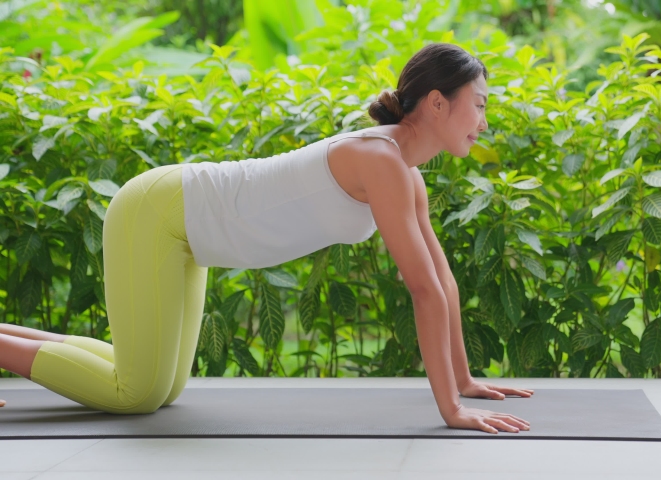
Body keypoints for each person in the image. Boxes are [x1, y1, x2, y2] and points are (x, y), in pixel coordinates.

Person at [0, 43, 533, 434]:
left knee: (163, 389)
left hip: (188, 230)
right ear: (437, 103)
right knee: (136, 392)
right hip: (158, 213)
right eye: (480, 104)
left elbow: (441, 279)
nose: (485, 121)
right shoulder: (382, 161)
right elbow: (421, 291)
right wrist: (451, 412)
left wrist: (464, 379)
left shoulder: (403, 172)